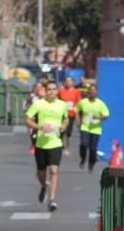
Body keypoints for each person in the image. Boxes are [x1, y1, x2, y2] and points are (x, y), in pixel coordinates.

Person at [25, 80, 69, 212]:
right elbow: (27, 119)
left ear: (57, 91)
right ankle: (44, 186)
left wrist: (63, 126)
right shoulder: (38, 104)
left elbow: (66, 118)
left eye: (54, 89)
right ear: (45, 91)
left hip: (56, 143)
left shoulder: (62, 105)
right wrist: (40, 127)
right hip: (41, 143)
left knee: (54, 171)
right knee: (41, 172)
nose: (51, 91)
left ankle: (52, 200)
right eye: (49, 89)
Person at [76, 84, 110, 172]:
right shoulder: (83, 102)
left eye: (94, 91)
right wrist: (78, 121)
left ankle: (91, 163)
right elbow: (77, 111)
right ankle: (83, 158)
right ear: (88, 92)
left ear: (97, 92)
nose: (92, 92)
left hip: (96, 129)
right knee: (84, 144)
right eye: (90, 90)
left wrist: (98, 117)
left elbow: (106, 116)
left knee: (93, 149)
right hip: (85, 127)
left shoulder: (100, 104)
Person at [58, 77, 81, 157]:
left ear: (72, 83)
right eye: (66, 81)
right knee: (61, 130)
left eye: (69, 81)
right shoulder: (61, 91)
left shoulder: (76, 92)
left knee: (69, 132)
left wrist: (78, 116)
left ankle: (67, 148)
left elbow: (78, 103)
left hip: (71, 114)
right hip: (62, 114)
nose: (68, 83)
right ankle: (59, 146)